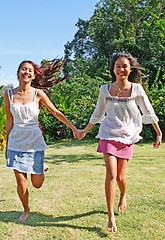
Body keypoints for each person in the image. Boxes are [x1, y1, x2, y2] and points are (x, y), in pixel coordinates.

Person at [77, 52, 162, 232]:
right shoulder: (104, 89)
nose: (121, 69)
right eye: (118, 66)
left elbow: (148, 110)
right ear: (113, 69)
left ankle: (123, 195)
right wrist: (85, 130)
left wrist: (158, 132)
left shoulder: (137, 88)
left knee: (121, 178)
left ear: (130, 69)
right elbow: (98, 113)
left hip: (127, 135)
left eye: (125, 66)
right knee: (111, 174)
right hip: (108, 133)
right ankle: (110, 217)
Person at [4, 59, 79, 223]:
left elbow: (55, 112)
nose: (26, 72)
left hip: (34, 142)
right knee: (21, 181)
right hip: (16, 142)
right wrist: (7, 144)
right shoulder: (8, 94)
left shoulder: (38, 94)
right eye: (23, 69)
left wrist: (74, 128)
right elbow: (9, 121)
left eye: (30, 70)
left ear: (33, 75)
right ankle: (26, 210)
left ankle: (41, 166)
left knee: (37, 183)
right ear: (18, 73)